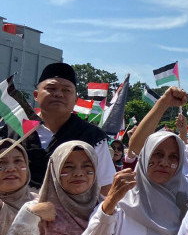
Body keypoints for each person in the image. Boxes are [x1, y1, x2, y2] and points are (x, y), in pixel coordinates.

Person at [0, 63, 115, 193]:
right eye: (51, 88)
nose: (58, 94)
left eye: (66, 90)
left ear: (76, 99)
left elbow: (106, 186)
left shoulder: (93, 136)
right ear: (36, 95)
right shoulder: (12, 131)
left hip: (75, 213)